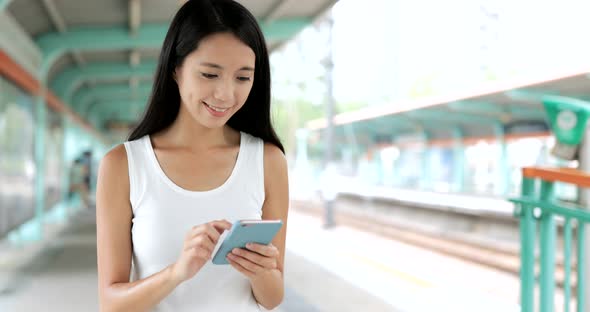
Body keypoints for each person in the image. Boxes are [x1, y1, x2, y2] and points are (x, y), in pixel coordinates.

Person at [95, 1, 289, 311]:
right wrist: (176, 273)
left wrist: (262, 271)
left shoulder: (268, 161)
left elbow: (272, 298)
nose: (226, 94)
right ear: (175, 68)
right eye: (210, 75)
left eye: (242, 78)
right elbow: (110, 303)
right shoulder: (123, 165)